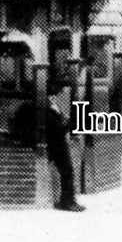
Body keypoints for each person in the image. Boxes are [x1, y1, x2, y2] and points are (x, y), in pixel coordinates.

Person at [45, 81, 83, 212]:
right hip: (56, 146)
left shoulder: (55, 108)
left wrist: (64, 121)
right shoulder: (47, 111)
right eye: (50, 96)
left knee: (68, 173)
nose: (53, 98)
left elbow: (62, 124)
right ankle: (67, 202)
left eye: (54, 96)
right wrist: (66, 122)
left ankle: (69, 201)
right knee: (67, 172)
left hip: (60, 144)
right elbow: (58, 128)